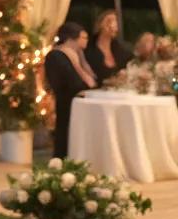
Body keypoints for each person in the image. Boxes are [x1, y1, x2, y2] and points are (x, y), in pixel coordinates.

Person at [43, 21, 97, 159]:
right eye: (83, 37)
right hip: (67, 104)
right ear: (72, 38)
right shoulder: (56, 56)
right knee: (66, 134)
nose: (86, 41)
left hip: (80, 103)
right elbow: (65, 83)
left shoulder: (79, 56)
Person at [85, 10, 132, 85]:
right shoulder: (89, 49)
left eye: (115, 21)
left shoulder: (120, 50)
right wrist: (107, 82)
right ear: (99, 25)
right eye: (109, 21)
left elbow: (128, 69)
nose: (112, 25)